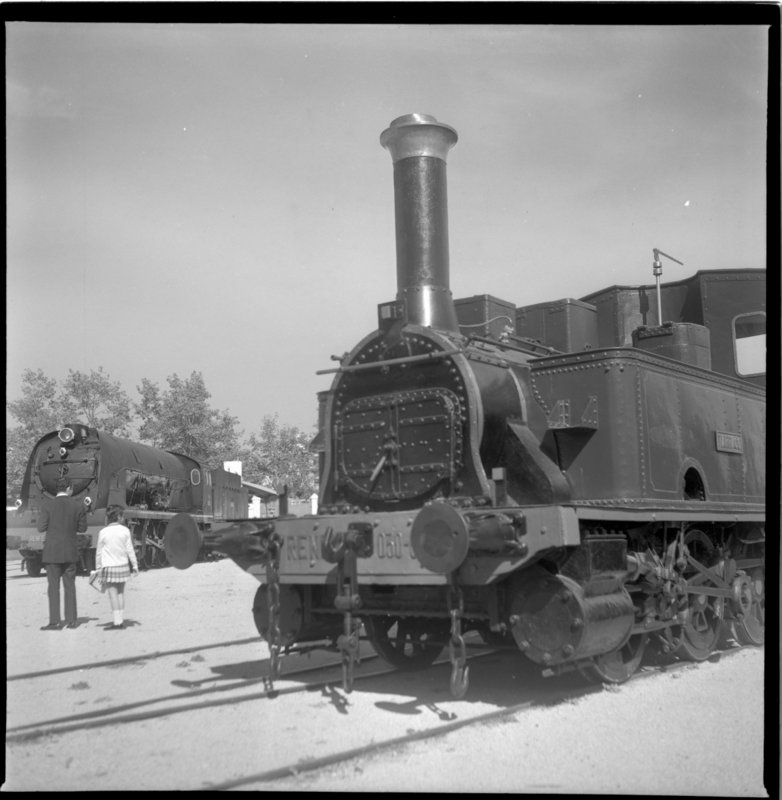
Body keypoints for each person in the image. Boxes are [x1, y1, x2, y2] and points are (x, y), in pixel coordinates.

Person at [37, 477, 89, 630]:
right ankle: (72, 620)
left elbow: (41, 528)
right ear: (69, 488)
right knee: (70, 586)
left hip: (52, 552)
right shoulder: (78, 506)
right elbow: (82, 529)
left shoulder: (47, 505)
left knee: (53, 588)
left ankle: (54, 622)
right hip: (69, 551)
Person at [95, 505, 139, 630]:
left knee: (112, 594)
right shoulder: (125, 531)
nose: (124, 518)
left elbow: (99, 553)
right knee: (120, 593)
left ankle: (117, 622)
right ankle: (120, 621)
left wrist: (98, 568)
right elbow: (130, 550)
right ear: (118, 517)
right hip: (123, 566)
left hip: (109, 567)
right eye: (123, 516)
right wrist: (135, 565)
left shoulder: (103, 532)